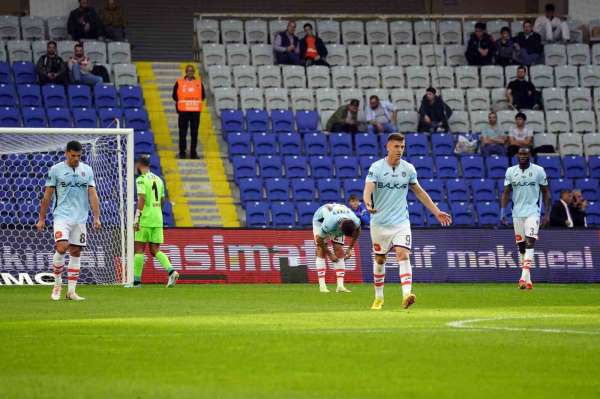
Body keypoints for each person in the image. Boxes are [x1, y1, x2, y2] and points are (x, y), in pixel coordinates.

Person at [363, 133, 452, 310]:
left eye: (402, 147)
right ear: (388, 147)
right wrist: (367, 202)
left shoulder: (408, 169)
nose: (400, 150)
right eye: (396, 146)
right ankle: (379, 298)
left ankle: (406, 295)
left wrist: (436, 211)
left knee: (403, 254)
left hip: (401, 222)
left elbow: (419, 192)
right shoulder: (376, 167)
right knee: (380, 259)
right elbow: (368, 188)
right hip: (379, 223)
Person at [36, 141, 101, 301]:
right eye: (73, 156)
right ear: (66, 153)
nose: (76, 159)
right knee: (62, 246)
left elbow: (92, 194)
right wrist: (41, 218)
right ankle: (57, 284)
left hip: (80, 218)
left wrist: (96, 217)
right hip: (61, 216)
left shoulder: (87, 170)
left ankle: (71, 292)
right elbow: (47, 195)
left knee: (76, 252)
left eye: (79, 156)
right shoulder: (56, 170)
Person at [501, 147, 551, 290]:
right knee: (521, 246)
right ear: (517, 156)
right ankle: (528, 281)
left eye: (525, 154)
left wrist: (546, 213)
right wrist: (502, 212)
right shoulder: (511, 171)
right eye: (521, 154)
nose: (523, 156)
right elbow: (506, 192)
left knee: (530, 242)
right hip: (516, 213)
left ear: (529, 155)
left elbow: (546, 192)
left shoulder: (539, 170)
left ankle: (522, 277)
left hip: (533, 212)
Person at [126, 156, 179, 288]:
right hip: (157, 218)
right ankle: (171, 271)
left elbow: (142, 198)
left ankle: (137, 282)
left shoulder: (141, 179)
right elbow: (162, 200)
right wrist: (157, 213)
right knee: (155, 250)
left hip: (145, 218)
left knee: (139, 249)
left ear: (139, 165)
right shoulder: (159, 180)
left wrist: (137, 217)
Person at [312, 203, 361, 293]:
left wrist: (350, 248)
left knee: (339, 249)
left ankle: (340, 286)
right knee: (321, 249)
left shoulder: (355, 220)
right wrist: (330, 254)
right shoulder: (329, 223)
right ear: (340, 228)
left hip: (337, 216)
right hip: (320, 220)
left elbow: (358, 231)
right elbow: (319, 240)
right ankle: (322, 286)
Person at [172, 64, 205, 159]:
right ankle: (182, 152)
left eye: (191, 71)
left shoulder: (199, 83)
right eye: (188, 71)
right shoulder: (179, 82)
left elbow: (202, 96)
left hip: (195, 112)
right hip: (183, 112)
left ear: (194, 72)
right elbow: (174, 96)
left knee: (194, 133)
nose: (190, 72)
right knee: (182, 132)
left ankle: (193, 153)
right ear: (186, 72)